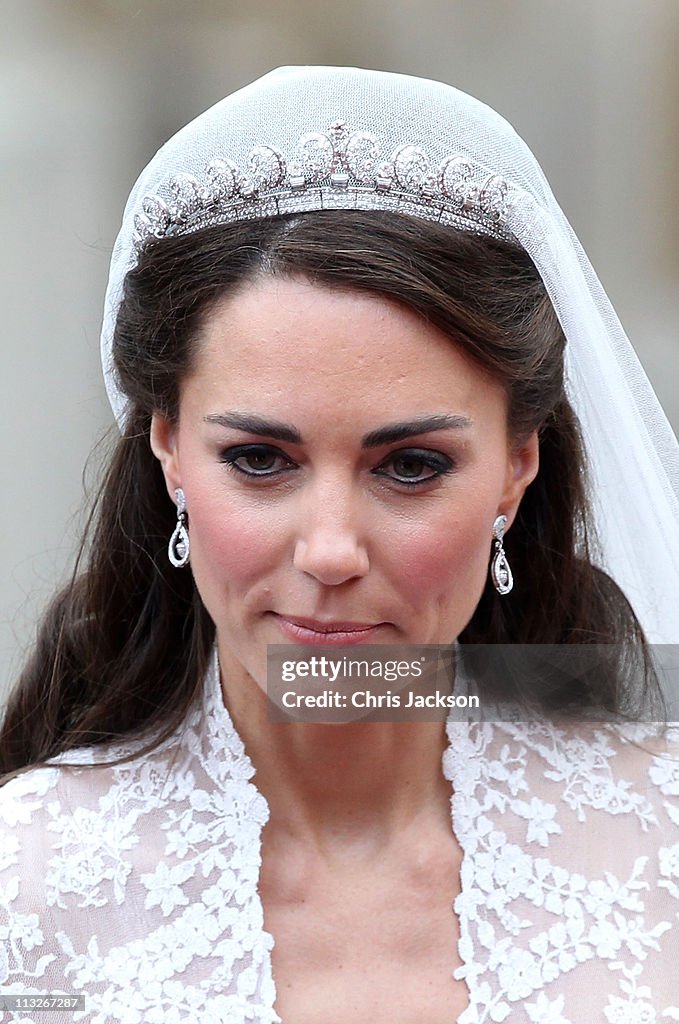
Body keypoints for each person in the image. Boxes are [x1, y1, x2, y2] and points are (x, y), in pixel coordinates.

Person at [1, 66, 678, 1023]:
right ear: (168, 451)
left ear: (518, 465)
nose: (328, 552)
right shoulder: (25, 890)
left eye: (408, 467)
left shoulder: (663, 841)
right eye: (259, 459)